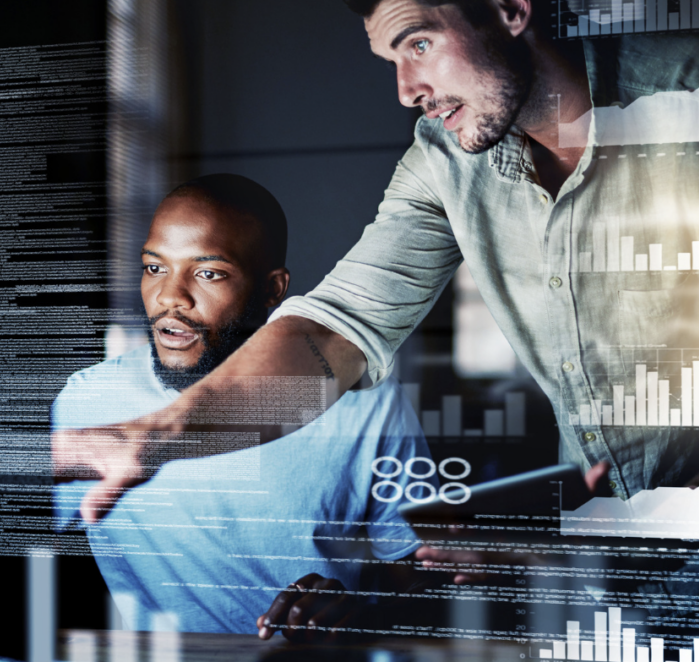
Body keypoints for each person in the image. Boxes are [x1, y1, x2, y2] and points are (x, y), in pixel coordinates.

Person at [53, 0, 699, 572]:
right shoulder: (443, 158)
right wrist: (156, 437)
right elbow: (330, 337)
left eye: (418, 44)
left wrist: (637, 535)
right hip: (608, 575)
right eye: (392, 60)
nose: (406, 88)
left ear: (509, 7)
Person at [52, 174, 434, 636]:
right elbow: (45, 574)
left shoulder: (366, 406)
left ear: (273, 289)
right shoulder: (88, 400)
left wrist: (359, 614)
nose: (170, 296)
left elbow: (424, 583)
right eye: (154, 267)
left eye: (208, 273)